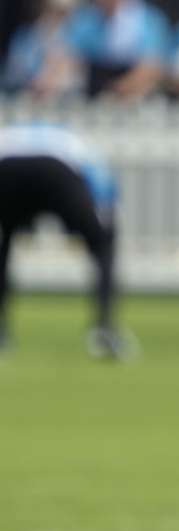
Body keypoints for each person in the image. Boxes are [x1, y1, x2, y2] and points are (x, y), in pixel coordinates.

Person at [0, 124, 130, 358]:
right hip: (57, 173)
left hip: (6, 171)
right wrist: (104, 223)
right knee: (103, 245)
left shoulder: (8, 137)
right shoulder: (74, 143)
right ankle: (105, 328)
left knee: (3, 245)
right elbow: (101, 180)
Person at [66, 0, 170, 100]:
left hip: (133, 93)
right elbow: (68, 56)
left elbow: (152, 66)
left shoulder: (148, 19)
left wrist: (117, 90)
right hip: (95, 91)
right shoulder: (87, 18)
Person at [2, 0, 83, 97]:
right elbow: (16, 71)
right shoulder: (25, 35)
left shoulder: (74, 38)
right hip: (23, 94)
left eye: (62, 14)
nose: (54, 18)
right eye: (52, 12)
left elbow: (73, 77)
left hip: (60, 99)